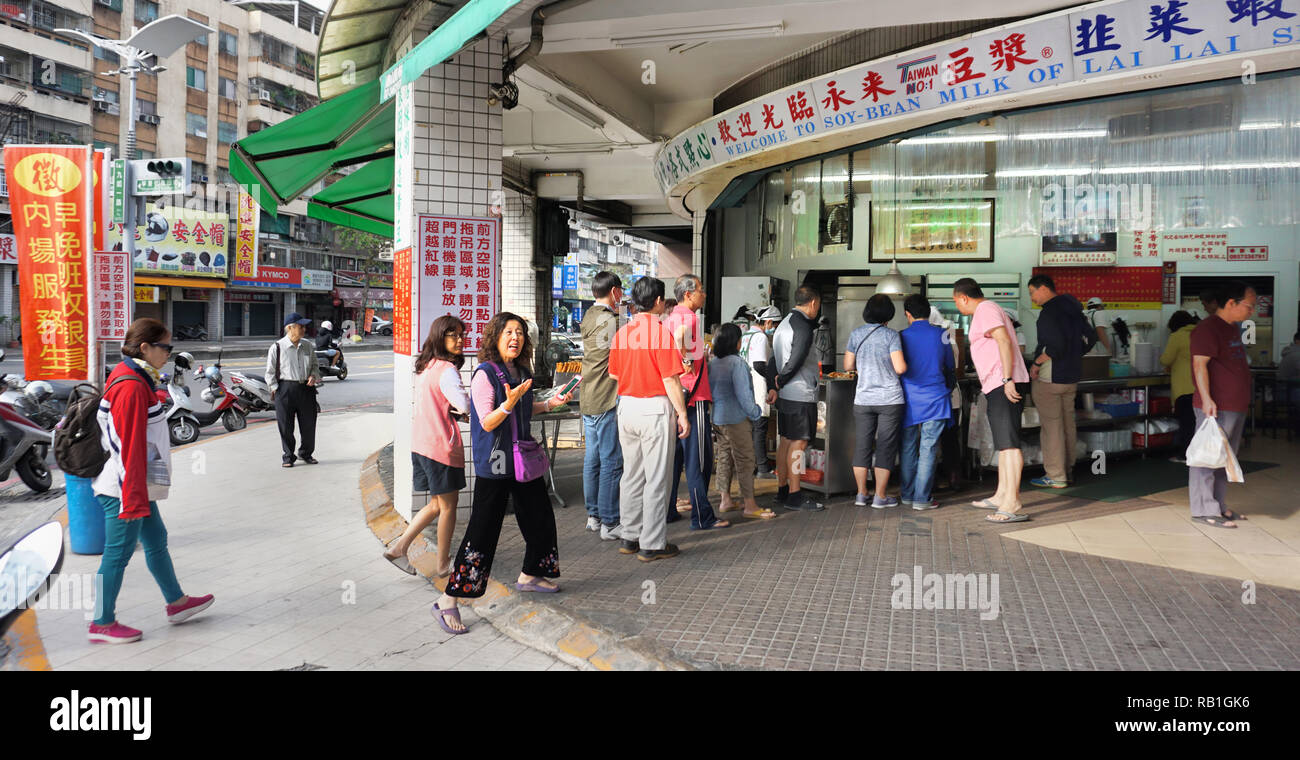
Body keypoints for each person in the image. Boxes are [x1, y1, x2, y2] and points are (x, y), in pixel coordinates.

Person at [432, 313, 570, 634]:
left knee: (540, 517)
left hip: (521, 459)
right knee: (482, 533)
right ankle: (447, 600)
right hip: (495, 465)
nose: (515, 337)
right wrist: (507, 404)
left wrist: (550, 404)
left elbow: (523, 407)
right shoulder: (485, 374)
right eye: (509, 332)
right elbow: (487, 421)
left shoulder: (521, 370)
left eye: (520, 332)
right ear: (495, 337)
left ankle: (530, 575)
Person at [88, 319, 213, 643]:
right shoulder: (130, 385)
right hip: (123, 489)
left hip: (135, 484)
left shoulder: (137, 377)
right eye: (165, 348)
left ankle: (177, 603)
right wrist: (133, 499)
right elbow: (128, 447)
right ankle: (101, 622)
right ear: (145, 348)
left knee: (156, 540)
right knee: (117, 555)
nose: (169, 355)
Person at [608, 276, 691, 562]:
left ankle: (630, 536)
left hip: (626, 406)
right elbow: (670, 379)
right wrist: (682, 414)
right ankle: (652, 543)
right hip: (654, 408)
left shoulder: (622, 334)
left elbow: (614, 375)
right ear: (658, 302)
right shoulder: (660, 334)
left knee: (631, 474)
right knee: (656, 478)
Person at [384, 316, 469, 578]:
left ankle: (399, 547)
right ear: (439, 337)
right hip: (440, 446)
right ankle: (443, 565)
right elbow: (464, 406)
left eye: (460, 334)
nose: (459, 340)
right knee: (448, 507)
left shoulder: (426, 365)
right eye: (452, 335)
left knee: (435, 505)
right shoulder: (446, 369)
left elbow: (438, 404)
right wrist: (463, 410)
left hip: (421, 445)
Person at [953, 278, 1031, 523]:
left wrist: (1007, 378)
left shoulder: (985, 309)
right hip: (997, 382)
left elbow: (1004, 341)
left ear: (963, 298)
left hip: (1003, 381)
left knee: (1009, 444)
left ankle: (1013, 502)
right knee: (1003, 443)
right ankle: (1001, 495)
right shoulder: (989, 310)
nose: (957, 307)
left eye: (956, 302)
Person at [1187, 281, 1256, 529]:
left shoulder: (1232, 328)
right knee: (1207, 457)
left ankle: (1218, 504)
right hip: (1216, 406)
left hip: (1234, 405)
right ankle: (1202, 508)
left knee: (1223, 458)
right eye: (1249, 306)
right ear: (1231, 303)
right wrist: (1207, 399)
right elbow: (1199, 365)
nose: (1252, 311)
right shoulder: (1207, 329)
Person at [663, 274, 727, 529]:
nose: (704, 294)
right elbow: (679, 339)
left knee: (675, 459)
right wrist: (685, 362)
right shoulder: (688, 317)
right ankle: (702, 517)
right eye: (701, 290)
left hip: (676, 397)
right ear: (688, 294)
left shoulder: (670, 316)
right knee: (698, 459)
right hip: (693, 397)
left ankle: (667, 512)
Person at [1027, 274, 1095, 488]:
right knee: (1067, 424)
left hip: (1051, 377)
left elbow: (1054, 346)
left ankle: (1056, 476)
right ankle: (1068, 470)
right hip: (1071, 376)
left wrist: (1037, 363)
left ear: (1044, 288)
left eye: (1032, 292)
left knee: (1052, 427)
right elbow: (1090, 338)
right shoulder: (1074, 308)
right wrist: (1074, 354)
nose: (1032, 298)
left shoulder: (1049, 312)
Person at [843, 294, 906, 508]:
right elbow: (900, 368)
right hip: (889, 399)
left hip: (863, 399)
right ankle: (880, 496)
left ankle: (861, 494)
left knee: (862, 445)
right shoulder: (891, 335)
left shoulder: (856, 334)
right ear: (889, 314)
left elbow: (847, 366)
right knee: (885, 447)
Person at [709, 323, 776, 519]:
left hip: (718, 418)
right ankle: (750, 505)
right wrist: (756, 413)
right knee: (745, 460)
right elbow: (744, 396)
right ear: (736, 343)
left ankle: (725, 500)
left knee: (724, 458)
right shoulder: (737, 364)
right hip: (736, 419)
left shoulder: (713, 363)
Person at [897, 294, 954, 510]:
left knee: (908, 446)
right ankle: (922, 499)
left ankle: (907, 494)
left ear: (907, 314)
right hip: (936, 399)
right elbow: (949, 365)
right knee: (928, 448)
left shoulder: (900, 336)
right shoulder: (943, 334)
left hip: (909, 399)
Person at [771, 286, 825, 511]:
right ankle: (795, 494)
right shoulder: (802, 325)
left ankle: (783, 490)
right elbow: (798, 357)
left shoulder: (784, 323)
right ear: (813, 303)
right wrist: (782, 380)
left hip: (786, 394)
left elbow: (774, 358)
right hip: (800, 392)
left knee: (785, 440)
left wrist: (776, 383)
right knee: (799, 443)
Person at [580, 271, 624, 540]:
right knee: (612, 461)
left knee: (592, 459)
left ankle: (594, 516)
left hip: (588, 396)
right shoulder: (610, 320)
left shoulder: (589, 316)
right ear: (615, 292)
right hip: (606, 396)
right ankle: (610, 522)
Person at [266, 312, 323, 468]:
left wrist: (313, 375)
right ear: (290, 328)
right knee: (286, 426)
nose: (304, 329)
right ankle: (288, 456)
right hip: (285, 389)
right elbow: (270, 373)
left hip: (306, 389)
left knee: (309, 424)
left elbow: (315, 366)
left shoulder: (307, 346)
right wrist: (277, 390)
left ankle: (306, 453)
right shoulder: (277, 347)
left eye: (304, 326)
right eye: (301, 326)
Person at [742, 305, 781, 477]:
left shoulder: (746, 335)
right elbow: (759, 365)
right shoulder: (760, 337)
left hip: (745, 385)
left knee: (750, 428)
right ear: (769, 322)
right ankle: (763, 468)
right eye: (775, 325)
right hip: (757, 385)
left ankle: (752, 466)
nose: (774, 329)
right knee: (759, 428)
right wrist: (773, 383)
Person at [930, 306, 964, 493]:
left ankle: (933, 481)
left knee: (931, 440)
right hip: (951, 397)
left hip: (938, 396)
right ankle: (954, 479)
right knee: (950, 440)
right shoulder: (948, 335)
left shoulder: (940, 336)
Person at [1160, 310, 1200, 462]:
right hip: (1201, 386)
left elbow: (1166, 359)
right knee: (1197, 422)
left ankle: (1185, 455)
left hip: (1184, 387)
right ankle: (1199, 453)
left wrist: (1160, 358)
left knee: (1186, 423)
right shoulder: (1199, 334)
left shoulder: (1177, 336)